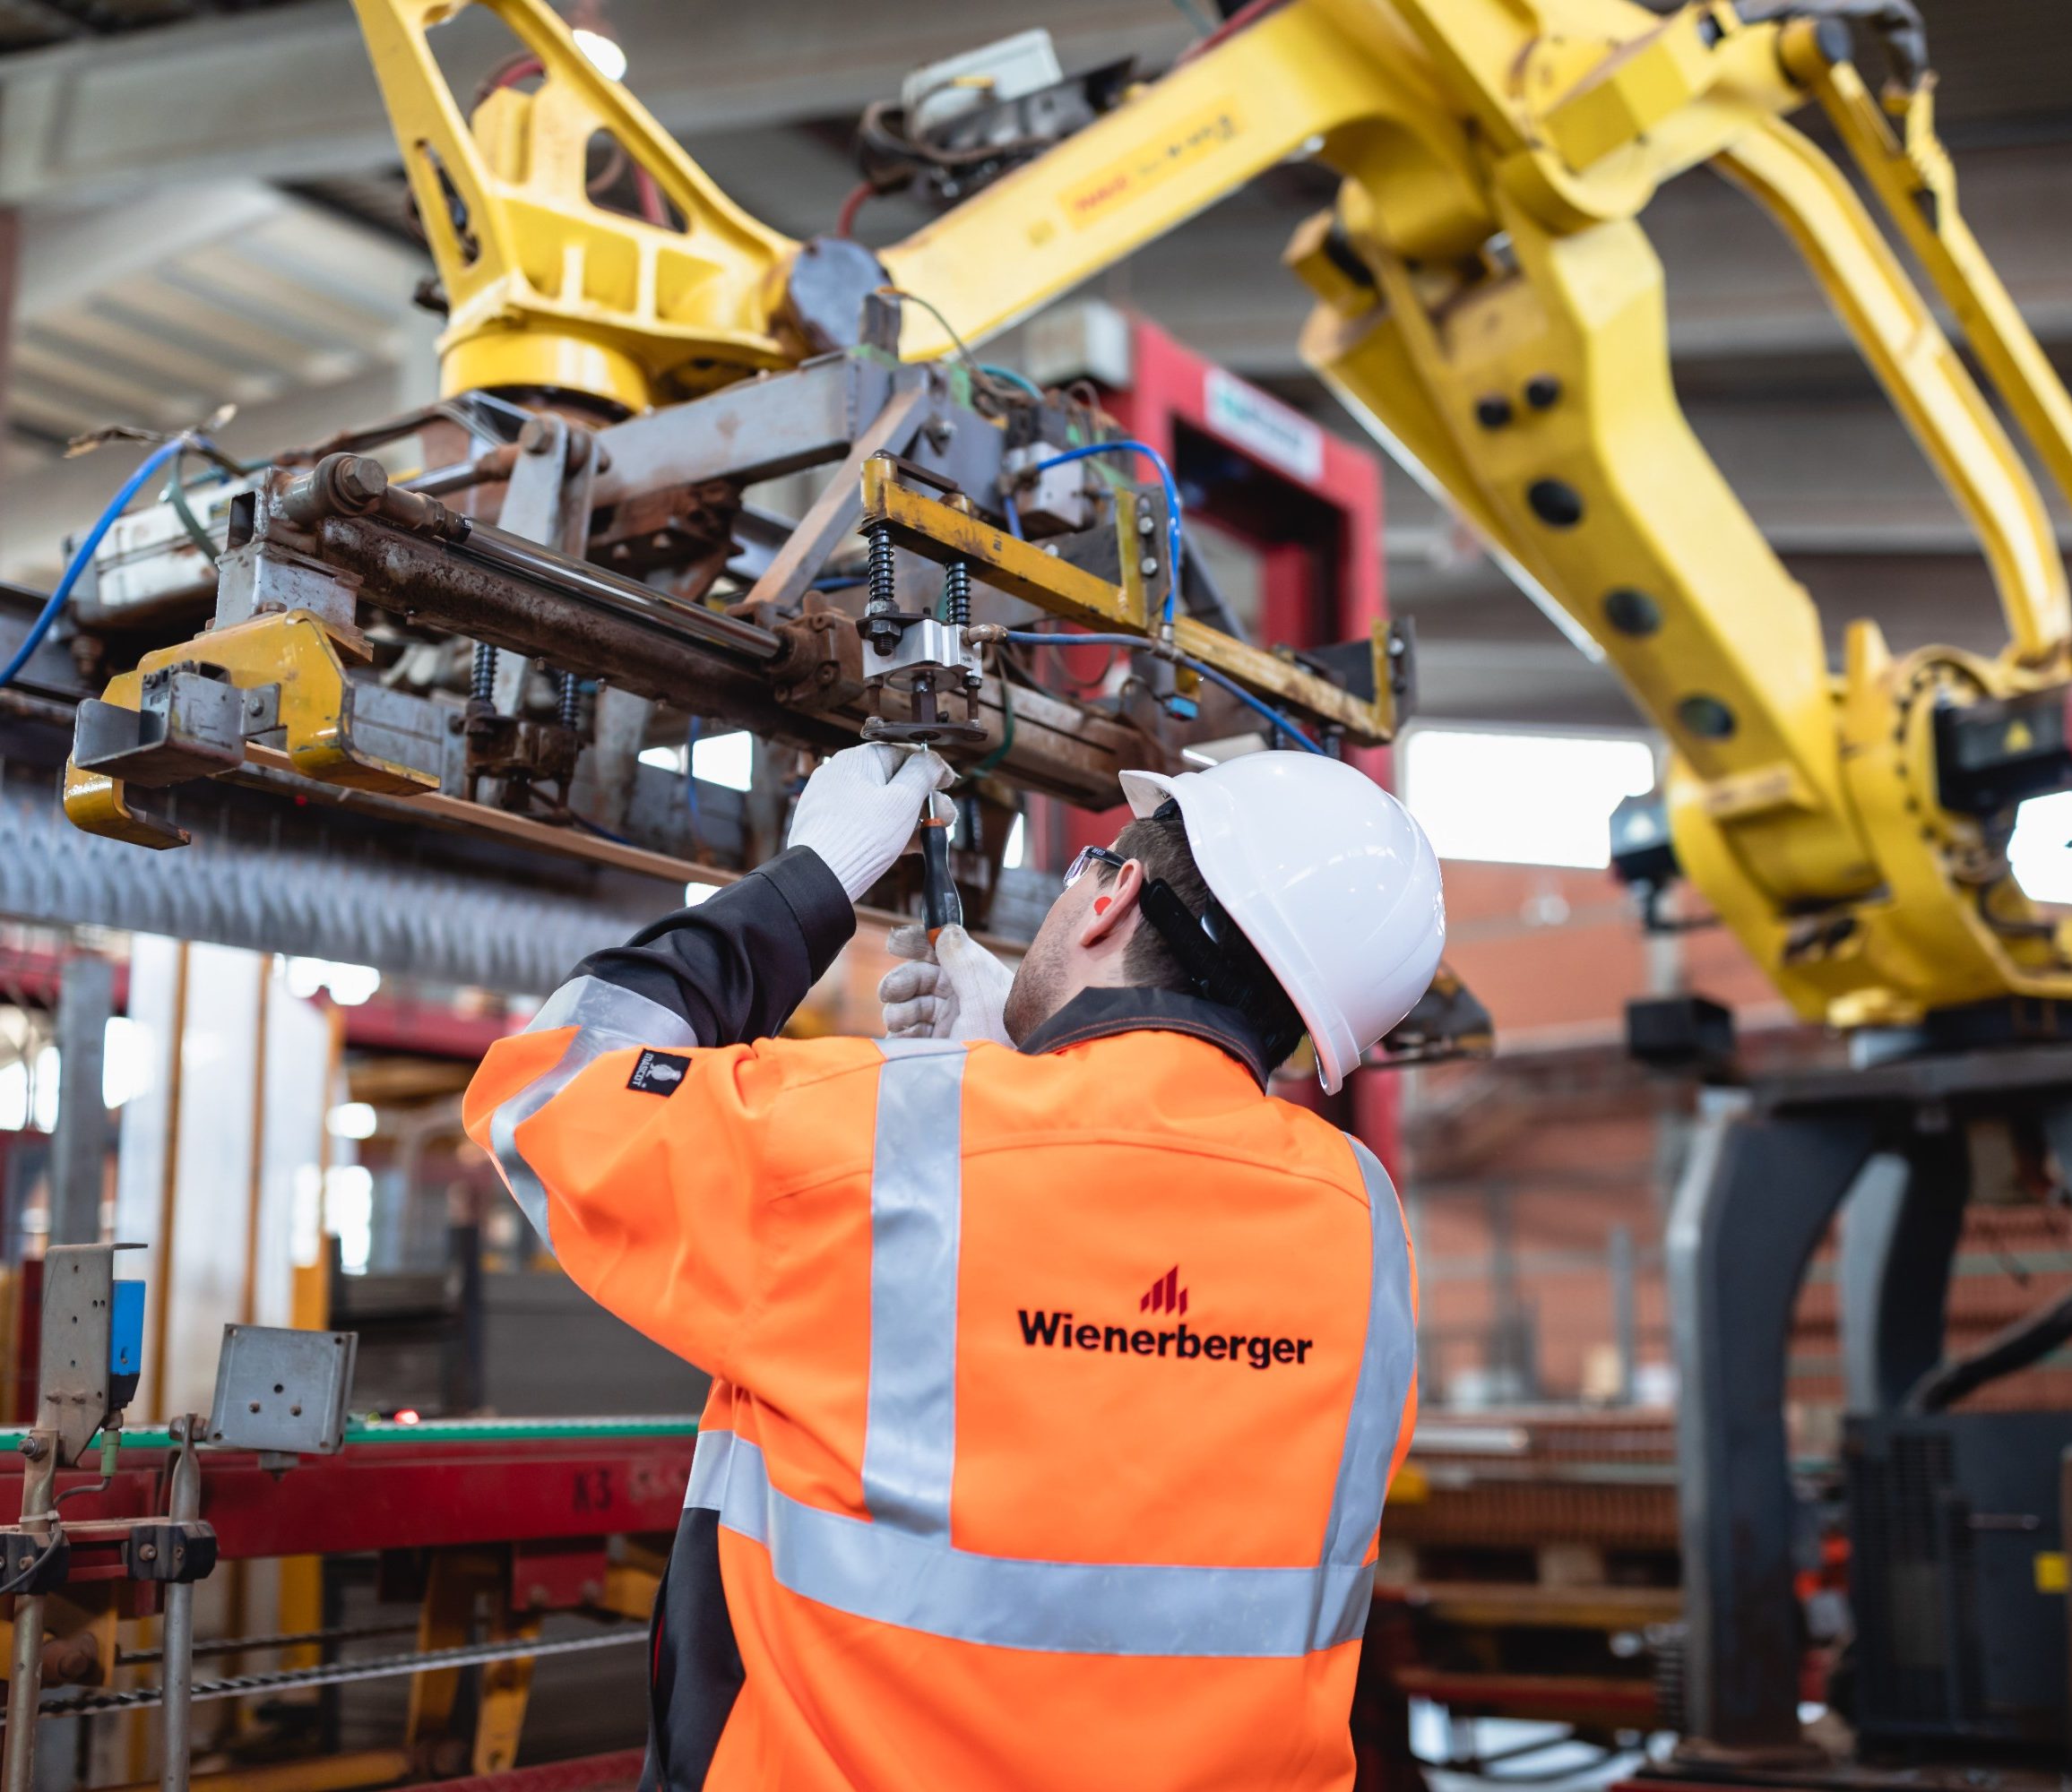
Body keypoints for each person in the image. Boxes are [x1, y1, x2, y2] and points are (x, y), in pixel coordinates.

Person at [463, 740, 1446, 1791]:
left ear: (1113, 897)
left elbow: (550, 1088)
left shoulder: (887, 1135)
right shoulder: (1363, 1223)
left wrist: (810, 882)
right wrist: (1029, 1079)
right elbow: (1128, 1452)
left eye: (1084, 871)